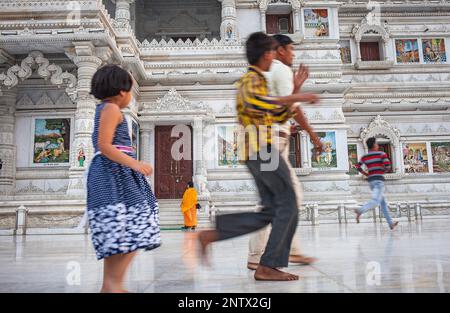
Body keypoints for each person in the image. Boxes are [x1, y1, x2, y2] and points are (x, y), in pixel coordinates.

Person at [197, 32, 320, 281]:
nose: (277, 56)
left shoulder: (259, 80)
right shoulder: (250, 80)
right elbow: (261, 103)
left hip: (259, 150)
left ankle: (213, 234)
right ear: (267, 54)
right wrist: (297, 96)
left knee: (271, 210)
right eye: (274, 52)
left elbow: (276, 115)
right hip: (261, 150)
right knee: (288, 203)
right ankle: (268, 265)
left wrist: (295, 90)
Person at [247, 34, 321, 271]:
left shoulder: (270, 71)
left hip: (270, 140)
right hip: (272, 141)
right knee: (286, 197)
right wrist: (313, 135)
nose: (293, 55)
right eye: (290, 50)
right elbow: (293, 108)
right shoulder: (280, 70)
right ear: (279, 51)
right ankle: (260, 254)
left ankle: (285, 251)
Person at [86, 65, 160, 293]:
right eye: (131, 91)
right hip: (114, 175)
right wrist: (135, 164)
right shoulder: (111, 110)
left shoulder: (105, 109)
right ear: (121, 92)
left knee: (121, 230)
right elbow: (105, 145)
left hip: (115, 174)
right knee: (137, 227)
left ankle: (111, 285)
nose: (131, 96)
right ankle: (113, 285)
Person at [354, 137, 399, 230]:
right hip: (379, 181)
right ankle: (360, 210)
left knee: (383, 204)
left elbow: (357, 166)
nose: (378, 145)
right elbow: (388, 166)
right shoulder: (382, 154)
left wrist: (366, 173)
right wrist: (382, 170)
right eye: (377, 143)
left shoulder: (365, 157)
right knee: (375, 201)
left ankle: (390, 223)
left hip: (371, 181)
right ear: (374, 145)